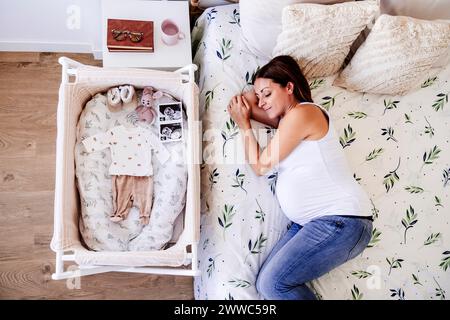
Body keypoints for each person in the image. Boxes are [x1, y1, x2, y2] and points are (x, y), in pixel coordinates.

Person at [227, 55, 373, 300]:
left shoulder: (304, 113)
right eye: (260, 96)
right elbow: (246, 103)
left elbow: (261, 166)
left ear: (290, 87)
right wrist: (259, 95)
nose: (261, 102)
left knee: (274, 285)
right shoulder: (288, 121)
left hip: (340, 222)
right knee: (266, 284)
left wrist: (244, 126)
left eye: (268, 94)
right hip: (316, 223)